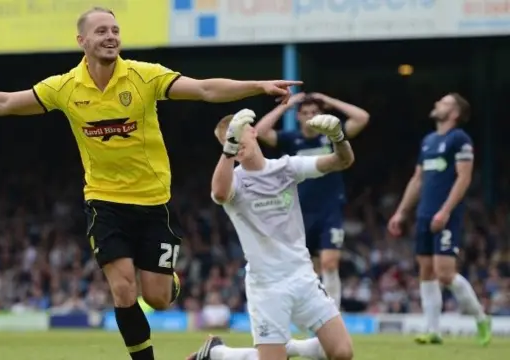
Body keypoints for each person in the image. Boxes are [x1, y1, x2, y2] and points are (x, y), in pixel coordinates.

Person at [0, 7, 301, 360]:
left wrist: (258, 87)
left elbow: (203, 88)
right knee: (123, 292)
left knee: (158, 299)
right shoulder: (65, 88)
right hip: (105, 203)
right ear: (82, 40)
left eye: (115, 31)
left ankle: (169, 281)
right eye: (102, 31)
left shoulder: (144, 77)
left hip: (153, 201)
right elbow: (3, 102)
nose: (111, 37)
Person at [188, 109, 355, 360]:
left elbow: (341, 161)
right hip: (267, 287)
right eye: (227, 140)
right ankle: (218, 354)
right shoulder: (234, 181)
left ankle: (279, 348)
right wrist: (229, 149)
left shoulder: (286, 167)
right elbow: (220, 194)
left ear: (253, 131)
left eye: (237, 134)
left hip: (303, 276)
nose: (234, 142)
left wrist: (339, 138)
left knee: (342, 353)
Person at [387, 93, 491, 346]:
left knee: (445, 273)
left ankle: (480, 317)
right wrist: (401, 211)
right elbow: (417, 179)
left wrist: (445, 211)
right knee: (426, 271)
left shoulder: (459, 139)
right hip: (424, 213)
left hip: (447, 214)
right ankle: (433, 330)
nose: (436, 104)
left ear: (455, 113)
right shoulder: (429, 140)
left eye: (444, 103)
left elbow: (463, 178)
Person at [254, 93, 369, 307]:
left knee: (330, 263)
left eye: (314, 112)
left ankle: (333, 314)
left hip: (330, 209)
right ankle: (311, 311)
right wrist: (285, 106)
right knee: (307, 268)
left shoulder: (333, 136)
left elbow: (362, 118)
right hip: (299, 211)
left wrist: (330, 100)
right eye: (305, 113)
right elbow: (260, 132)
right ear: (298, 116)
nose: (309, 116)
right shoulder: (290, 139)